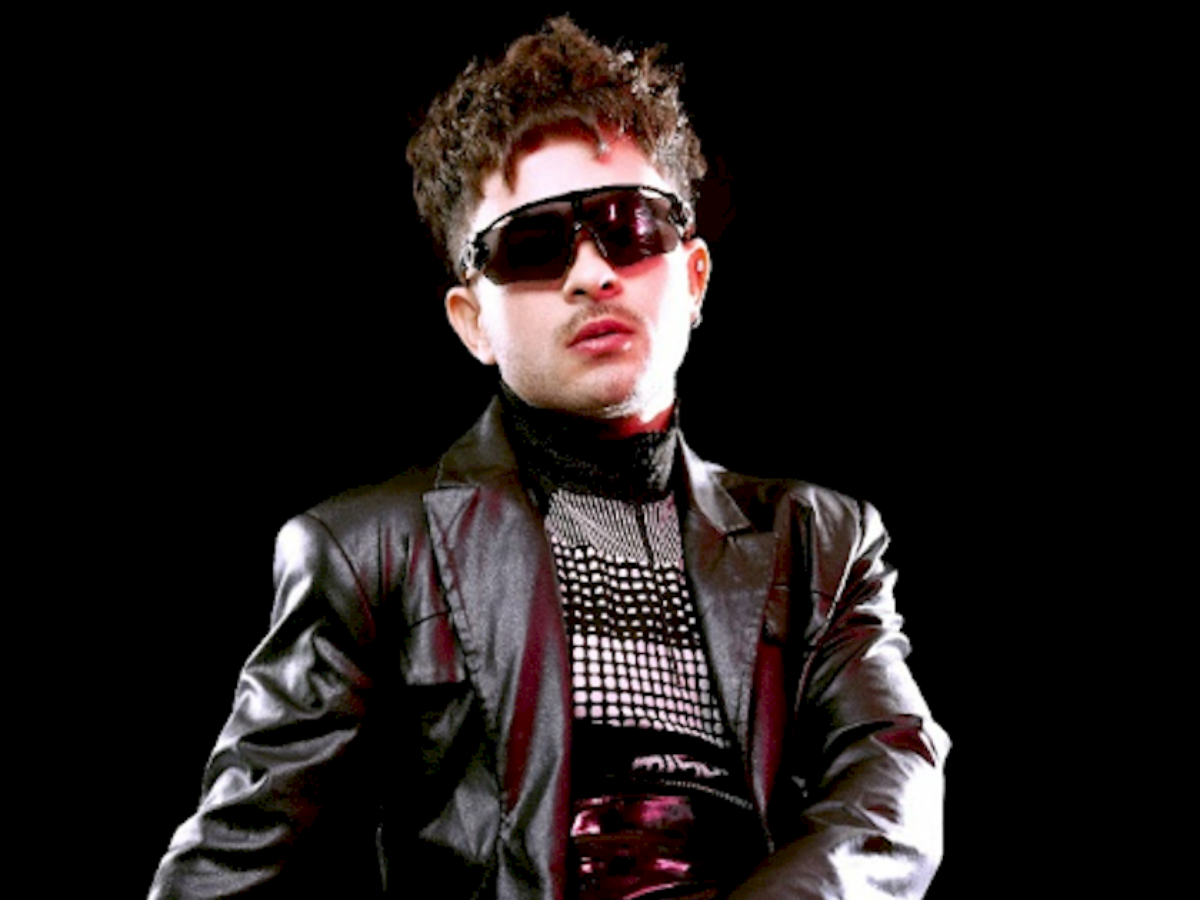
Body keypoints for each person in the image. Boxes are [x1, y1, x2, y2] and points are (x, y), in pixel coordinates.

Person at [150, 16, 949, 899]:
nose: (591, 273)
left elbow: (890, 796)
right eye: (532, 243)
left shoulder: (822, 541)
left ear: (693, 277)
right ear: (471, 323)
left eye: (629, 225)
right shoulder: (366, 553)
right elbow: (225, 872)